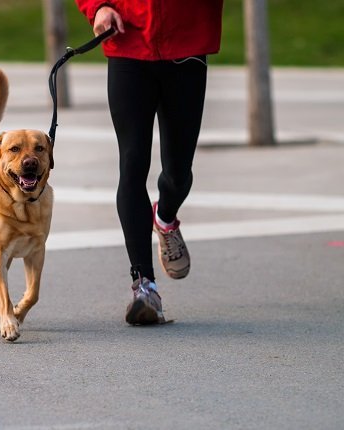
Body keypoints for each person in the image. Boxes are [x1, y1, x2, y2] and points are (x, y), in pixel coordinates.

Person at [75, 0, 224, 325]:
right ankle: (144, 286)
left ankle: (166, 216)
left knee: (178, 172)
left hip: (187, 46)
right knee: (131, 163)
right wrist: (98, 8)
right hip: (127, 44)